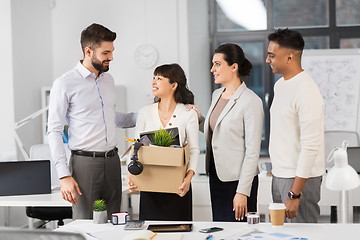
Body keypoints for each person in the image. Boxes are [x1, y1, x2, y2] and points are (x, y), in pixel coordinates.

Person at [47, 23, 137, 219]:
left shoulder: (108, 80)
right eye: (106, 52)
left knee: (116, 222)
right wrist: (64, 175)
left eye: (112, 52)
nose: (111, 57)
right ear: (88, 51)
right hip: (84, 165)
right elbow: (53, 130)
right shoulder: (64, 83)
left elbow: (113, 118)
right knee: (85, 224)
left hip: (113, 162)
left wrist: (150, 115)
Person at [188, 43, 264, 222]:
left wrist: (242, 191)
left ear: (234, 66)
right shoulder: (217, 95)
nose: (212, 69)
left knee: (240, 232)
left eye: (217, 64)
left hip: (239, 182)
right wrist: (199, 119)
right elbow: (217, 131)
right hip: (216, 176)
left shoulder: (251, 101)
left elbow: (252, 151)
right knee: (221, 228)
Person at [266, 28, 325, 223]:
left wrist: (295, 194)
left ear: (290, 57)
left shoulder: (307, 90)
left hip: (299, 181)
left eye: (272, 56)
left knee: (302, 234)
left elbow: (310, 146)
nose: (268, 60)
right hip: (280, 175)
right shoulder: (280, 85)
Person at [127, 63, 199, 221]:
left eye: (159, 78)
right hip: (150, 185)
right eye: (153, 78)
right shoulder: (145, 112)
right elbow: (135, 146)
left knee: (178, 234)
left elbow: (194, 149)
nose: (154, 82)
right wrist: (130, 173)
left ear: (173, 85)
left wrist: (188, 179)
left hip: (178, 186)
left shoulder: (188, 113)